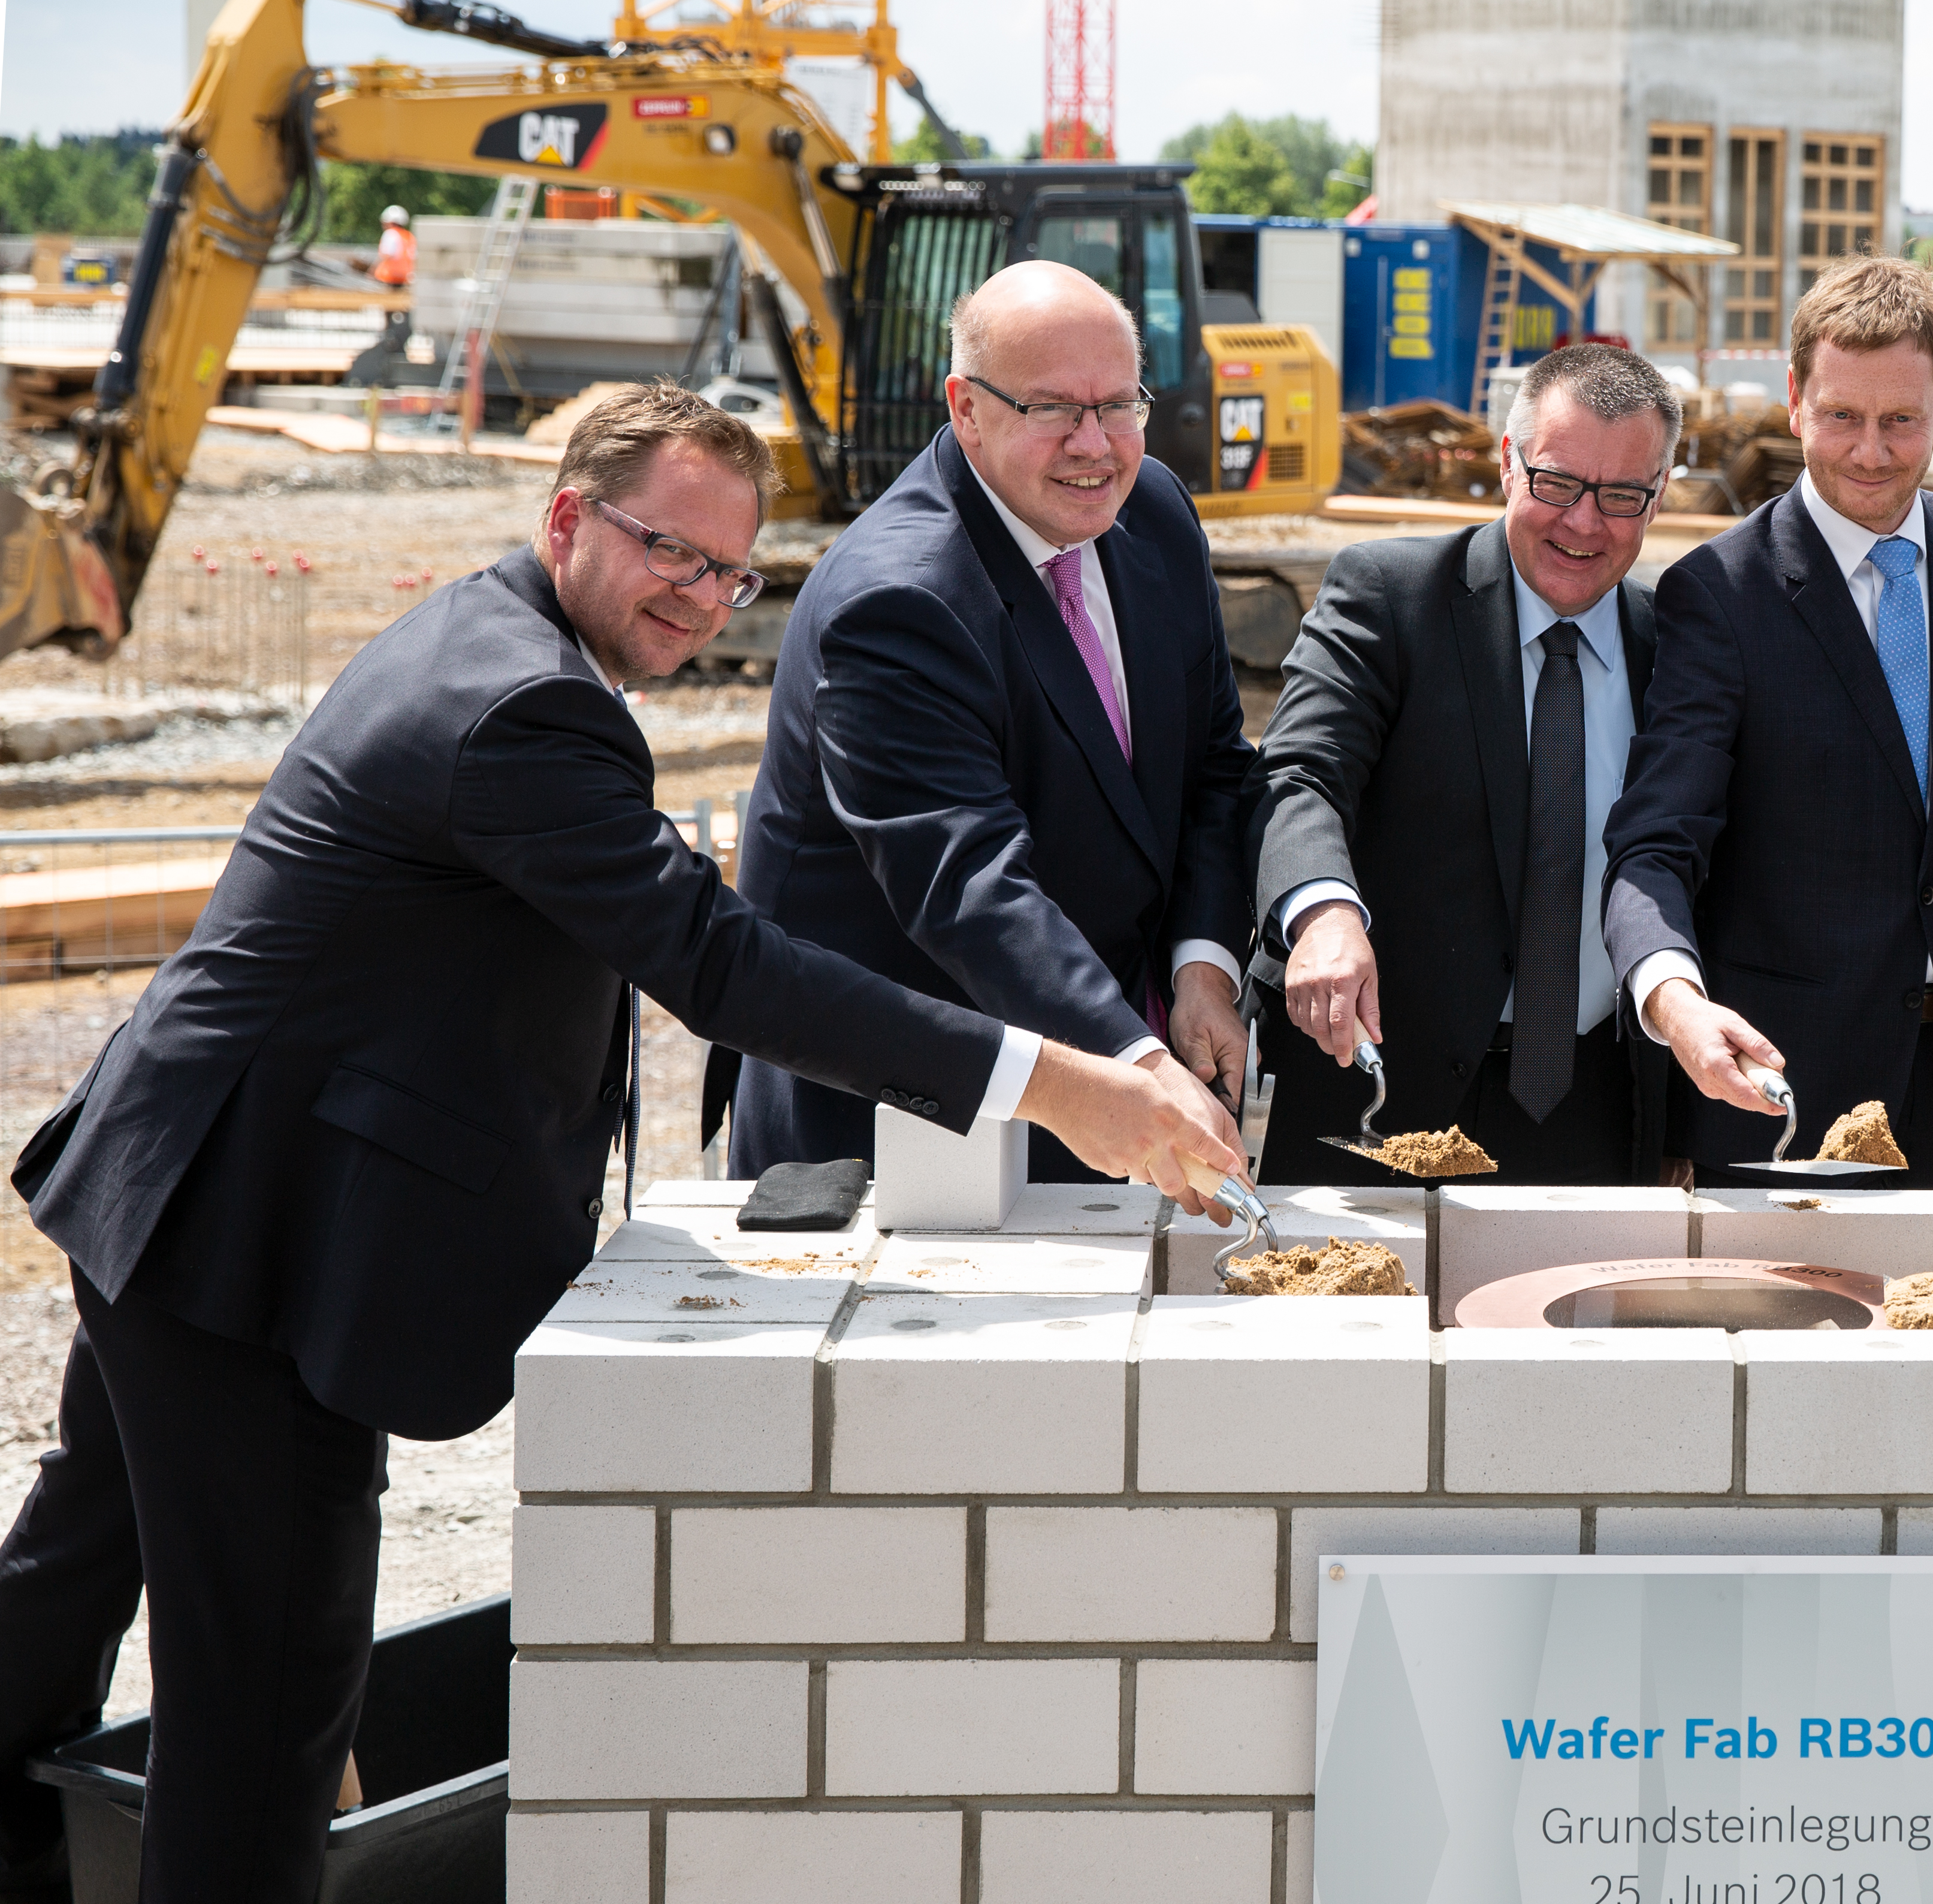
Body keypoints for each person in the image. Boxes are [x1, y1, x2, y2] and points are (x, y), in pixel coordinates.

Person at [0, 382, 1245, 1902]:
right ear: (569, 518)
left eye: (731, 572)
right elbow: (718, 965)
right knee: (265, 1698)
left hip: (181, 1180)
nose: (702, 597)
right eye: (671, 549)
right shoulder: (527, 709)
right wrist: (1058, 1083)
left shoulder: (499, 636)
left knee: (68, 1581)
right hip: (255, 1236)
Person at [711, 260, 1259, 1179]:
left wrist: (1203, 967)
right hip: (904, 1129)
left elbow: (1212, 766)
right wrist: (1141, 1064)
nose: (1096, 444)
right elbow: (968, 885)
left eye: (1119, 405)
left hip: (1104, 1092)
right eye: (1052, 409)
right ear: (965, 407)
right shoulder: (898, 600)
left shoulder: (1153, 511)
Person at [1603, 257, 1933, 1187]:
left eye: (1900, 420)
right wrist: (1673, 1001)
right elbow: (1656, 842)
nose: (1870, 451)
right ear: (1793, 401)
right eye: (1842, 417)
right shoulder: (1716, 593)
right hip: (1778, 1093)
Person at [1251, 344, 1676, 1183]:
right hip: (1377, 1092)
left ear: (1659, 496)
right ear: (1508, 463)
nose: (1584, 523)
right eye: (1557, 483)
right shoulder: (1387, 595)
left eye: (1622, 495)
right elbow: (1300, 773)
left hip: (1595, 1113)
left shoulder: (1673, 644)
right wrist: (1323, 914)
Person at [371, 204, 415, 289]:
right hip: (405, 279)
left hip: (389, 278)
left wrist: (371, 272)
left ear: (390, 223)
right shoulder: (409, 236)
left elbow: (387, 255)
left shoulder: (390, 234)